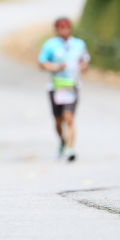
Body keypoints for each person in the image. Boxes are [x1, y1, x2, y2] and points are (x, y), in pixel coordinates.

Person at [38, 17, 90, 161]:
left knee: (69, 118)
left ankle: (70, 148)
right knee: (58, 121)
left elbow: (85, 61)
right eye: (61, 28)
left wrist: (83, 66)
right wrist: (55, 67)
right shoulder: (50, 45)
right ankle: (62, 141)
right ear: (56, 30)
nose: (64, 31)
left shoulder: (79, 44)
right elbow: (42, 63)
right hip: (56, 87)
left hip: (72, 86)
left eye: (66, 28)